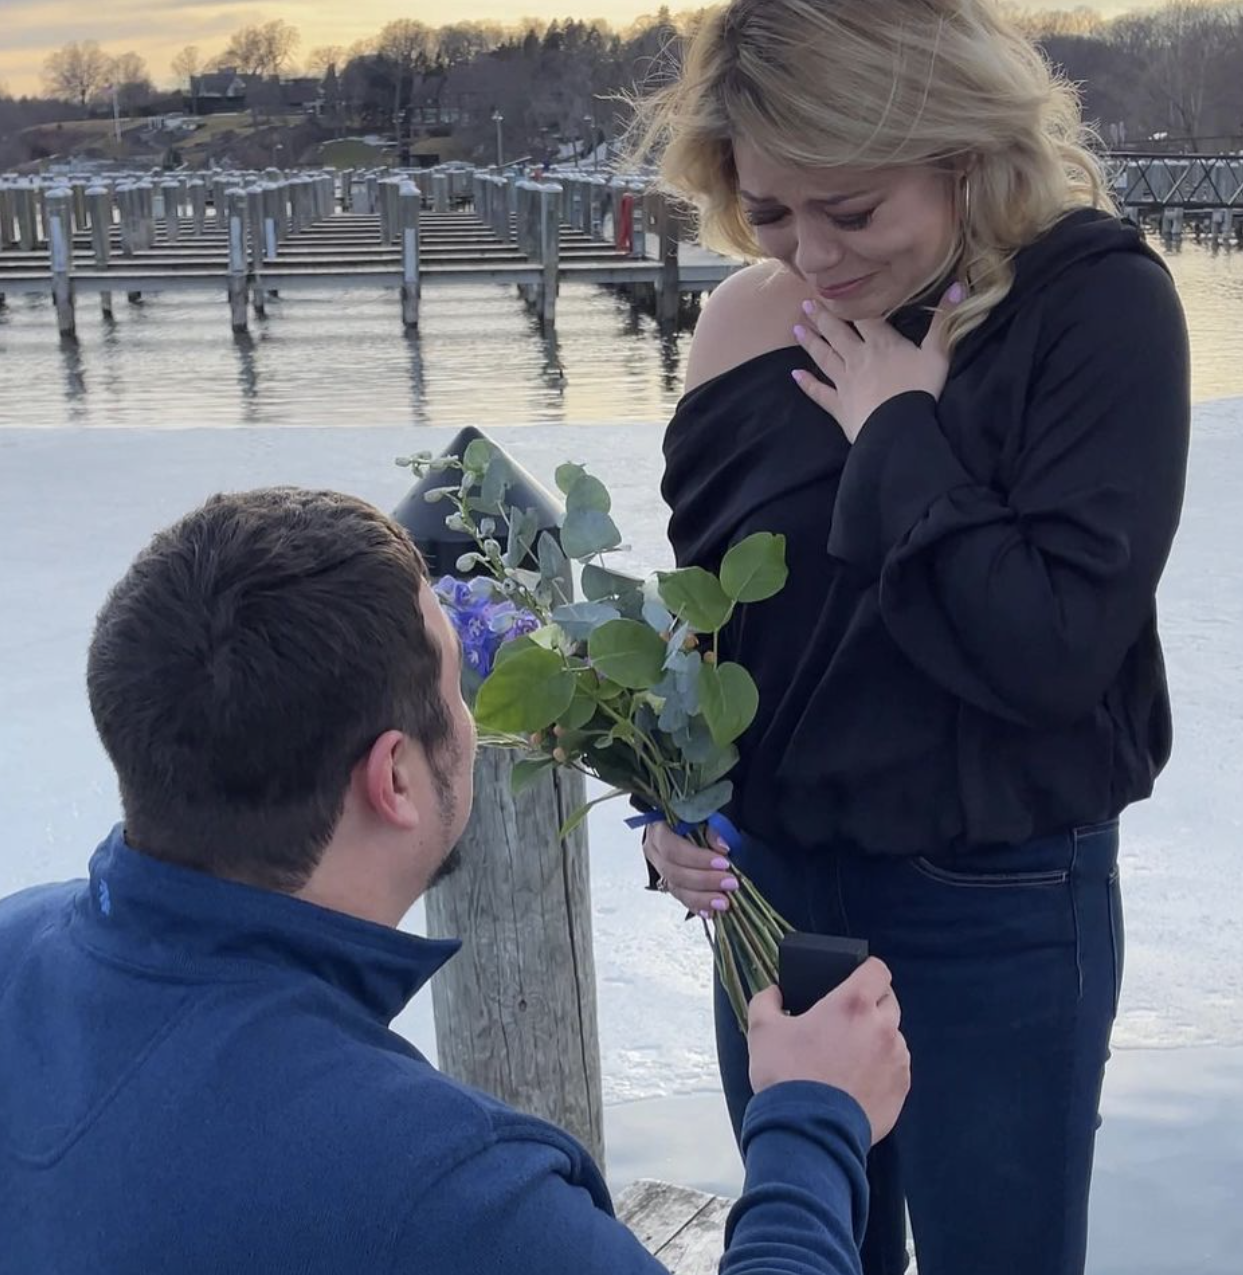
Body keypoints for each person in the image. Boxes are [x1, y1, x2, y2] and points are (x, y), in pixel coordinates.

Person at [0, 487, 911, 1275]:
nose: (474, 722)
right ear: (393, 778)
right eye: (455, 685)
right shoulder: (443, 1188)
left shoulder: (16, 948)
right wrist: (810, 1120)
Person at [634, 2, 1190, 1273]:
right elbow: (717, 625)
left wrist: (897, 435)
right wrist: (676, 795)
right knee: (812, 1242)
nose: (812, 256)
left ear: (960, 149)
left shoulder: (1093, 306)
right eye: (770, 212)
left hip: (990, 895)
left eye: (854, 209)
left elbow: (1056, 655)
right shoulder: (737, 325)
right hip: (772, 900)